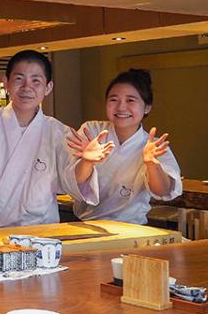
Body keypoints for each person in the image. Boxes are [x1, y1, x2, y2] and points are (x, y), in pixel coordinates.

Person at [0, 50, 99, 228]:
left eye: (36, 81)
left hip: (41, 232)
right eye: (19, 79)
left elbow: (72, 180)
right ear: (6, 83)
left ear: (48, 87)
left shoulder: (57, 132)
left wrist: (87, 162)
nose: (26, 87)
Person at [66, 69, 181, 224]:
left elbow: (163, 190)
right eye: (114, 100)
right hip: (86, 224)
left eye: (130, 100)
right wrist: (87, 161)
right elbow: (73, 181)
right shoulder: (92, 131)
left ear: (147, 107)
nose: (121, 107)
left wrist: (151, 165)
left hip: (132, 226)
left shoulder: (153, 146)